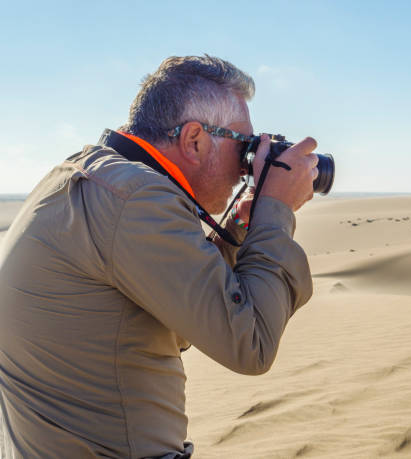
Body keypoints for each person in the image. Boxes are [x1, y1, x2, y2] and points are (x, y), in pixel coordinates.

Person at [0, 55, 318, 458]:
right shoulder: (136, 200)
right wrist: (276, 210)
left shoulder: (89, 177)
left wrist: (239, 227)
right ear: (194, 140)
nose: (248, 168)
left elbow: (185, 316)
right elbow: (250, 343)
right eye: (245, 147)